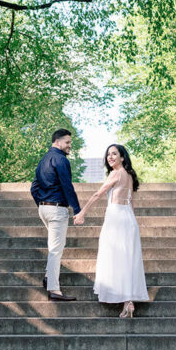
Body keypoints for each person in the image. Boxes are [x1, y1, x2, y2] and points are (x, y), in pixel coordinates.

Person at [74, 144, 148, 318]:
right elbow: (132, 203)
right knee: (127, 259)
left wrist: (82, 213)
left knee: (116, 258)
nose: (110, 157)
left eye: (114, 154)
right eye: (108, 154)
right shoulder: (129, 176)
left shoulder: (115, 174)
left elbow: (97, 194)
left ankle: (126, 301)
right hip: (129, 218)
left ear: (122, 157)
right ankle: (128, 301)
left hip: (116, 217)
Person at [30, 129, 81, 301]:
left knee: (54, 246)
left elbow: (33, 188)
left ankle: (47, 277)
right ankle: (54, 289)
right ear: (57, 142)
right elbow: (67, 186)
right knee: (55, 250)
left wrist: (42, 204)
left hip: (44, 209)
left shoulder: (43, 160)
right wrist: (77, 210)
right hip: (57, 209)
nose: (69, 146)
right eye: (67, 142)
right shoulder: (61, 160)